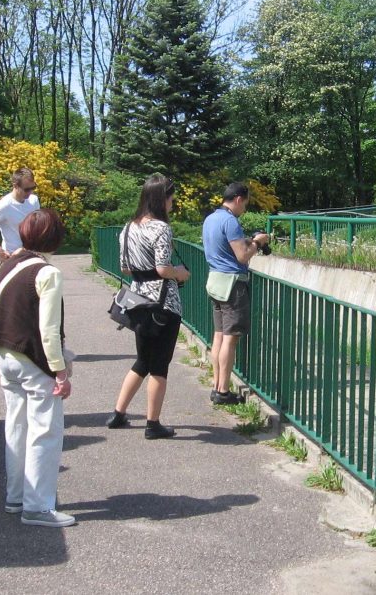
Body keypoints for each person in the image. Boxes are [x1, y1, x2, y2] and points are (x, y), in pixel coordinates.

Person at [0, 208, 76, 527]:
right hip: (33, 359)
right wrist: (60, 371)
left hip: (6, 354)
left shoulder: (9, 265)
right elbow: (49, 330)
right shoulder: (47, 273)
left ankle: (16, 497)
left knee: (16, 428)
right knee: (45, 431)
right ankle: (38, 506)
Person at [106, 174, 189, 439]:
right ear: (161, 199)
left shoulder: (128, 227)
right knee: (160, 365)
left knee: (143, 360)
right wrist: (180, 273)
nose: (172, 203)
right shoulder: (161, 228)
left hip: (138, 302)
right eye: (171, 198)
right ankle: (153, 424)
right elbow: (163, 268)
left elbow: (124, 268)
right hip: (164, 304)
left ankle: (118, 413)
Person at [201, 182, 268, 405]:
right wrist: (257, 242)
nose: (244, 209)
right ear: (238, 199)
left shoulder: (211, 218)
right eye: (245, 204)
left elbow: (224, 248)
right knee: (230, 339)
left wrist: (248, 241)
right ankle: (223, 391)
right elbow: (242, 256)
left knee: (219, 335)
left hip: (215, 282)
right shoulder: (230, 221)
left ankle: (216, 385)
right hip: (232, 286)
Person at [0, 167, 41, 255]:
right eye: (26, 189)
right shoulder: (4, 204)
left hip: (32, 254)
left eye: (33, 187)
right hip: (13, 256)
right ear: (15, 186)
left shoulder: (34, 200)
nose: (30, 192)